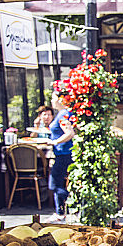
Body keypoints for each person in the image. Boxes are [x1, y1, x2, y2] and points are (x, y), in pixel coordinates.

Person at [47, 91, 74, 223]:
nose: (52, 101)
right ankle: (61, 211)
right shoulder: (62, 113)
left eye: (53, 98)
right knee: (56, 182)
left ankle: (63, 210)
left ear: (60, 99)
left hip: (64, 154)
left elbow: (69, 133)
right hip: (62, 153)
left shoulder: (63, 114)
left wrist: (55, 142)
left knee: (55, 182)